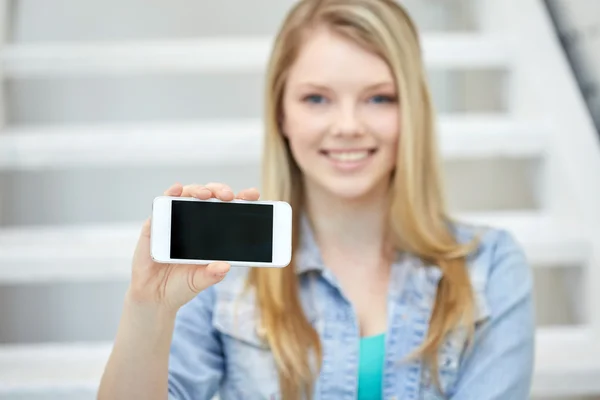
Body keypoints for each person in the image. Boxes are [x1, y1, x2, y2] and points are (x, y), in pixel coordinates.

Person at [97, 0, 535, 399]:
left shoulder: (490, 268)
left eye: (379, 98)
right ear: (282, 114)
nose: (347, 125)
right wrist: (146, 310)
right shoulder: (221, 275)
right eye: (317, 98)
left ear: (412, 113)